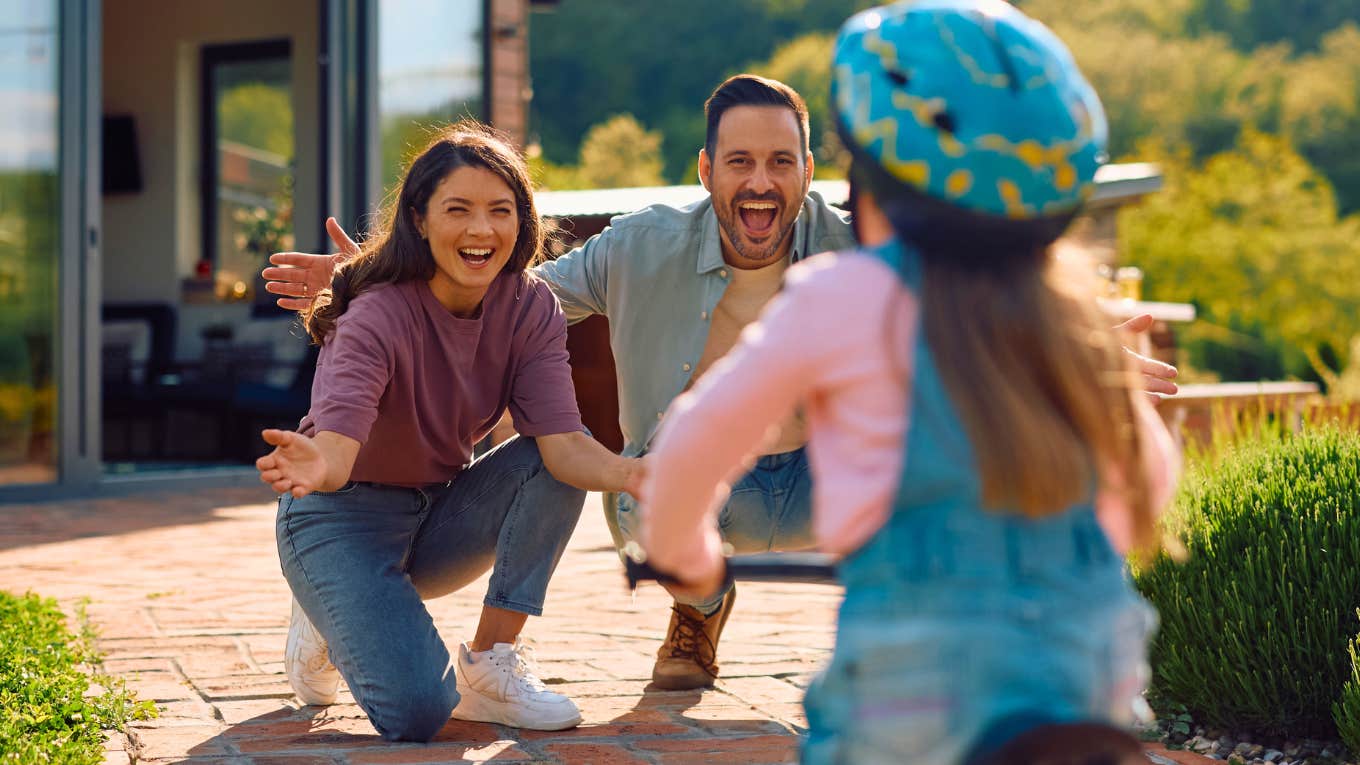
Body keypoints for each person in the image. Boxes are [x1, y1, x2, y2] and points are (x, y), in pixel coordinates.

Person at [263, 75, 1179, 692]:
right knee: (632, 487)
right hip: (707, 489)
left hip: (833, 478)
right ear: (707, 171)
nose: (760, 179)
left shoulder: (861, 244)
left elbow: (983, 290)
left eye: (781, 160)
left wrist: (1083, 347)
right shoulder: (642, 245)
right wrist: (398, 272)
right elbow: (507, 291)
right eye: (739, 160)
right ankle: (699, 611)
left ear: (808, 173)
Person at [634, 2, 1181, 763]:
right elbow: (1148, 483)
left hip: (910, 689)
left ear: (871, 181)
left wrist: (686, 556)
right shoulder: (1072, 317)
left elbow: (693, 446)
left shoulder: (839, 295)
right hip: (1082, 677)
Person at [257, 121, 643, 742]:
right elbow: (336, 448)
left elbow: (566, 447)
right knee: (417, 715)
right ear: (419, 220)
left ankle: (491, 665)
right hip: (339, 518)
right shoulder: (376, 313)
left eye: (500, 210)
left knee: (543, 459)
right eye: (456, 210)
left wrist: (637, 474)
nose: (480, 230)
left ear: (523, 220)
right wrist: (314, 465)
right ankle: (325, 607)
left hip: (436, 516)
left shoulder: (531, 307)